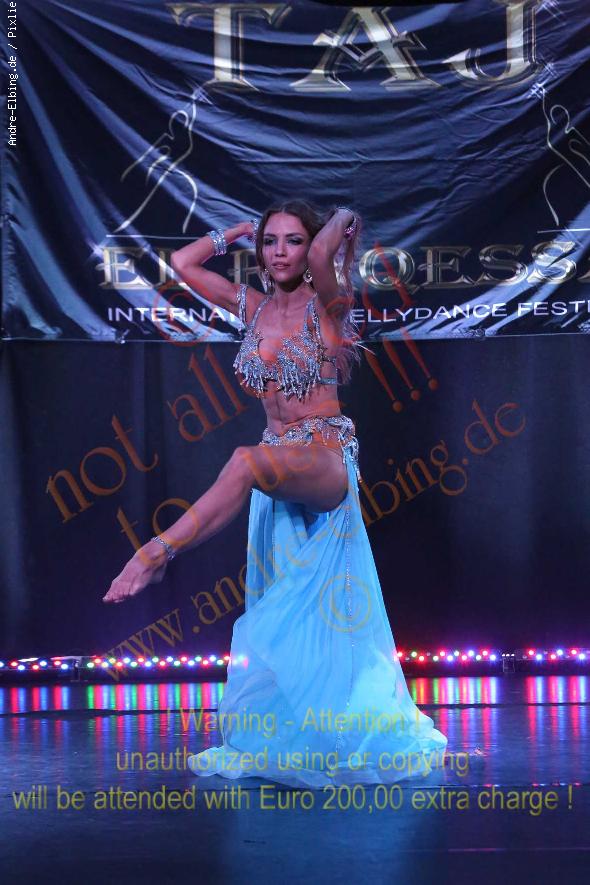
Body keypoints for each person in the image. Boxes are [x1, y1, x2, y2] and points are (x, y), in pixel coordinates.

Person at [103, 199, 449, 788]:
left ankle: (156, 552)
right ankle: (315, 730)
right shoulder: (254, 307)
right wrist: (237, 230)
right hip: (276, 468)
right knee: (298, 619)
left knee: (242, 462)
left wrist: (342, 219)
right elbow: (183, 265)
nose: (281, 251)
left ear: (312, 248)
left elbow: (325, 250)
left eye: (293, 240)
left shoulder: (330, 304)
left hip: (325, 460)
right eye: (270, 242)